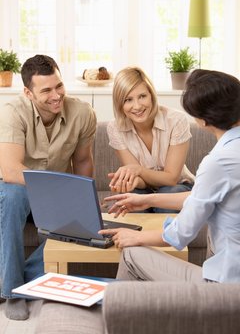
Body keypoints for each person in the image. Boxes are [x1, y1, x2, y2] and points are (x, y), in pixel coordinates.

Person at [100, 69, 240, 284]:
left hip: (226, 286)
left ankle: (118, 312)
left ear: (201, 121)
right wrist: (147, 199)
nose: (137, 105)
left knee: (131, 255)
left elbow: (181, 233)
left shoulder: (217, 162)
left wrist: (135, 237)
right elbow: (200, 197)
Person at [0, 54, 97, 320]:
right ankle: (11, 292)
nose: (56, 96)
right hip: (18, 190)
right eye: (46, 90)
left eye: (59, 86)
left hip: (56, 194)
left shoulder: (83, 113)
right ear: (28, 93)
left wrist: (84, 201)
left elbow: (83, 161)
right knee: (13, 194)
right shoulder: (12, 113)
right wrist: (56, 188)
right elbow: (10, 170)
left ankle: (18, 280)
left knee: (85, 226)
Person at [107, 66, 194, 213]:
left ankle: (161, 236)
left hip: (178, 187)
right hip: (144, 188)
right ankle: (136, 236)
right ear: (120, 104)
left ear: (151, 95)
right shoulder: (115, 128)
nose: (137, 106)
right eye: (128, 100)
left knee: (168, 195)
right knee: (128, 199)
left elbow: (171, 178)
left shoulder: (176, 120)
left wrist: (138, 170)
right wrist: (131, 182)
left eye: (142, 96)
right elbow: (139, 180)